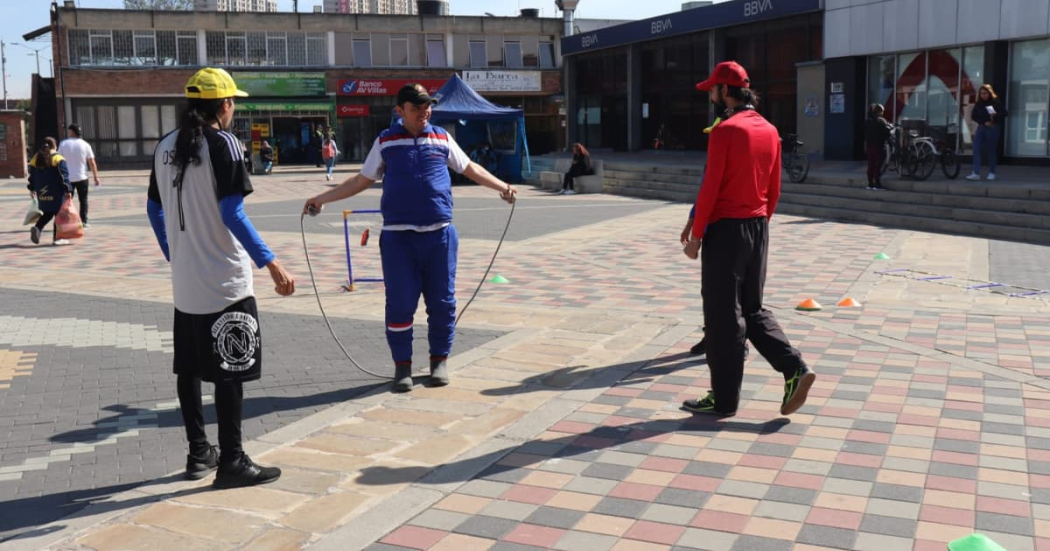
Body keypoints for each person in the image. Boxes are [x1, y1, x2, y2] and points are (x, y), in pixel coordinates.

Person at [303, 83, 517, 393]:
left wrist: (502, 187)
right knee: (400, 304)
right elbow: (361, 179)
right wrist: (322, 198)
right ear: (399, 111)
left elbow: (469, 167)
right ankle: (402, 366)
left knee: (442, 303)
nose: (424, 112)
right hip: (398, 239)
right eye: (416, 108)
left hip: (440, 236)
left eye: (427, 106)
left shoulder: (442, 138)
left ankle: (439, 361)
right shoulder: (386, 141)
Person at [146, 67, 296, 488]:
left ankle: (198, 452)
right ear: (225, 105)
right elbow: (232, 213)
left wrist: (174, 253)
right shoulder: (225, 143)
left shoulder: (164, 146)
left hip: (187, 282)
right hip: (226, 280)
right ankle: (231, 459)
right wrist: (271, 263)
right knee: (231, 369)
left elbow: (153, 210)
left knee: (190, 368)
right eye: (234, 104)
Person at [682, 60, 815, 418]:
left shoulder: (726, 130)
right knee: (752, 309)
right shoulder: (770, 130)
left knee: (723, 316)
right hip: (757, 226)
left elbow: (711, 186)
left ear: (726, 91)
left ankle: (724, 399)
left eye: (713, 88)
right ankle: (795, 369)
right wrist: (758, 224)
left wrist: (698, 234)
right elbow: (774, 190)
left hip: (726, 230)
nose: (711, 94)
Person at [27, 137, 73, 246]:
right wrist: (68, 190)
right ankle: (58, 238)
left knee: (48, 212)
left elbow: (31, 176)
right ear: (55, 146)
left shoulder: (35, 158)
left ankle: (38, 228)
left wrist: (32, 188)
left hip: (42, 193)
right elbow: (64, 176)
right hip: (57, 192)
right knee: (59, 214)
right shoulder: (58, 158)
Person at [58, 124, 100, 229]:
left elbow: (58, 160)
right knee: (83, 200)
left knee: (66, 200)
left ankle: (66, 221)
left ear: (71, 132)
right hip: (82, 177)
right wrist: (95, 176)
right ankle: (84, 221)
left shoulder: (63, 144)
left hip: (67, 178)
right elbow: (92, 162)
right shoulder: (85, 144)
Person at [968, 84, 1007, 181]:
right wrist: (983, 122)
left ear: (989, 93)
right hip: (982, 127)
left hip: (993, 127)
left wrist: (995, 116)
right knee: (976, 147)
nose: (983, 95)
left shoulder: (996, 102)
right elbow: (973, 116)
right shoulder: (979, 103)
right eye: (981, 93)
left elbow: (1005, 113)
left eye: (985, 93)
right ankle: (976, 173)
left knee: (991, 150)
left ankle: (992, 172)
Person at [864, 103, 893, 190]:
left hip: (869, 145)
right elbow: (887, 132)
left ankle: (870, 184)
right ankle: (877, 184)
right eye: (882, 111)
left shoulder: (867, 121)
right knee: (878, 165)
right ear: (879, 111)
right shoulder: (881, 121)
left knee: (871, 165)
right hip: (879, 146)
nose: (883, 113)